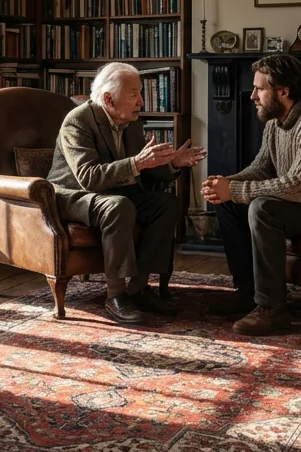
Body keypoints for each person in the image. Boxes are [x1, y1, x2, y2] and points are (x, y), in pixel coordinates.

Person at [201, 54, 301, 335]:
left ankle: (272, 309)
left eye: (259, 89)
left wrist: (236, 190)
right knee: (230, 204)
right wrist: (225, 184)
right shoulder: (275, 123)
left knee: (263, 207)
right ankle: (248, 292)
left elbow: (297, 186)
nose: (252, 95)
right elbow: (261, 168)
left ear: (283, 91)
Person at [48, 62, 206, 324]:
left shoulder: (131, 122)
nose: (141, 101)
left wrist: (173, 163)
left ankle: (139, 287)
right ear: (109, 99)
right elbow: (88, 177)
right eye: (134, 94)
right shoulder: (77, 122)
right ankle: (116, 295)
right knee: (119, 206)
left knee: (167, 204)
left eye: (140, 93)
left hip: (116, 193)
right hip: (75, 196)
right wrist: (137, 163)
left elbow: (145, 168)